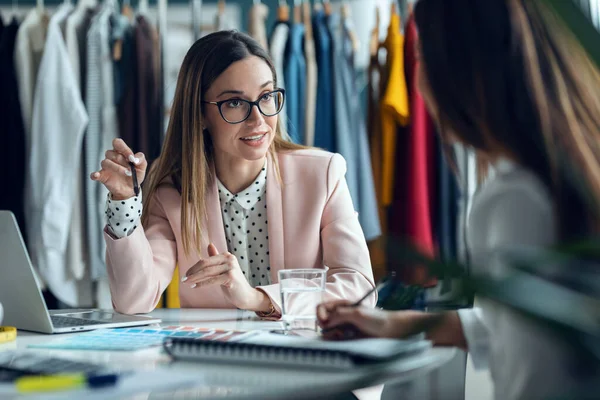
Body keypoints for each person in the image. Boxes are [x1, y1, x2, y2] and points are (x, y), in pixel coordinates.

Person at [318, 0, 600, 399]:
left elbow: (538, 379)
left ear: (461, 72)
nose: (419, 84)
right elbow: (533, 322)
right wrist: (394, 324)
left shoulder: (514, 198)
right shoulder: (569, 170)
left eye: (423, 59)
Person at [91, 31, 376, 317]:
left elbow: (359, 289)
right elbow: (134, 301)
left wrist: (257, 298)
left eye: (266, 97)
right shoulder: (171, 191)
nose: (259, 120)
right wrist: (124, 201)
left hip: (298, 354)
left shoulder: (322, 174)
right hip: (212, 356)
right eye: (235, 103)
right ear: (200, 114)